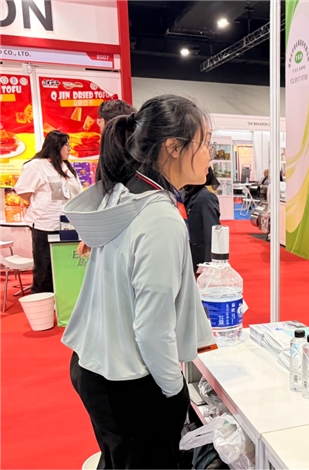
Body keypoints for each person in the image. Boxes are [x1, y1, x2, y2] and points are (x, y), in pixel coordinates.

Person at [61, 95, 216, 469]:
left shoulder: (124, 193)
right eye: (205, 143)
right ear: (173, 147)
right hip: (130, 383)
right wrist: (174, 392)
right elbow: (151, 328)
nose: (210, 155)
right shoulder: (160, 218)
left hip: (95, 367)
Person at [14, 130, 83, 293]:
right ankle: (42, 299)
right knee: (44, 270)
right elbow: (24, 192)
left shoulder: (66, 166)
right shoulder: (36, 166)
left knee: (65, 267)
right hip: (44, 225)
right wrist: (41, 206)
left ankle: (62, 301)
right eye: (66, 145)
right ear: (56, 146)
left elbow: (77, 192)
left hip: (68, 226)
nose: (70, 149)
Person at [77, 99, 137, 257]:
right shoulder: (138, 150)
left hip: (118, 236)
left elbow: (106, 195)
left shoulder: (111, 156)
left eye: (100, 121)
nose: (98, 125)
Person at [183, 167, 221, 273]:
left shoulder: (206, 198)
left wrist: (209, 263)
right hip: (189, 254)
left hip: (200, 258)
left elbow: (211, 231)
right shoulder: (187, 194)